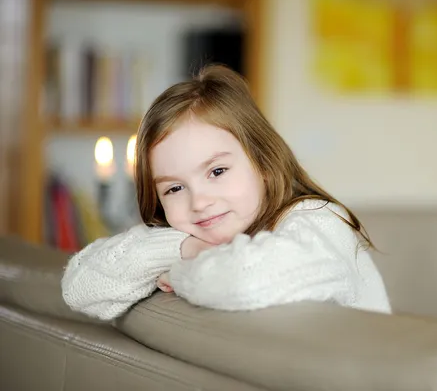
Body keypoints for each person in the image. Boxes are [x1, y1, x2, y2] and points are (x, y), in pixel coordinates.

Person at [61, 65, 391, 321]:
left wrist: (180, 271)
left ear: (263, 161)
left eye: (217, 172)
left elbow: (250, 282)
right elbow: (81, 288)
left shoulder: (320, 219)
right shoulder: (189, 236)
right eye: (174, 188)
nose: (199, 202)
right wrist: (187, 248)